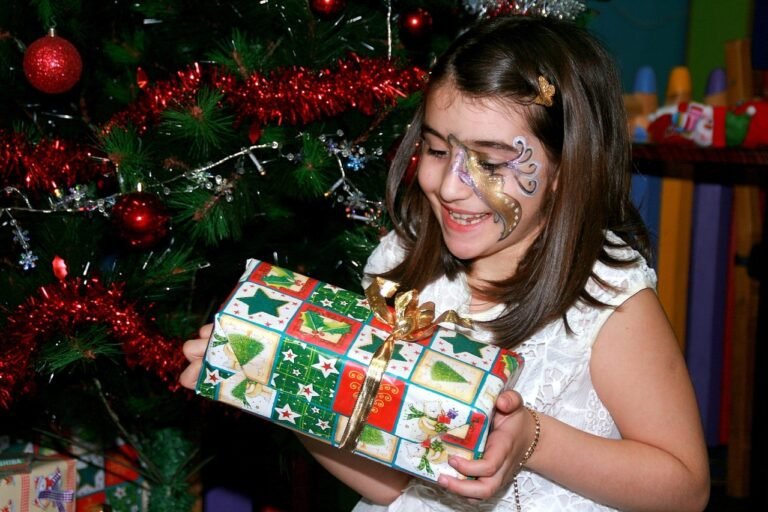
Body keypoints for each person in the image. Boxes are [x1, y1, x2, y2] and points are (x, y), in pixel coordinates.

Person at [180, 14, 710, 512]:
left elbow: (686, 486)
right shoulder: (404, 266)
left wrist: (532, 441)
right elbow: (397, 485)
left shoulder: (606, 298)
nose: (450, 186)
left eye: (490, 162)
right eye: (436, 151)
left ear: (566, 169)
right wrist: (276, 385)